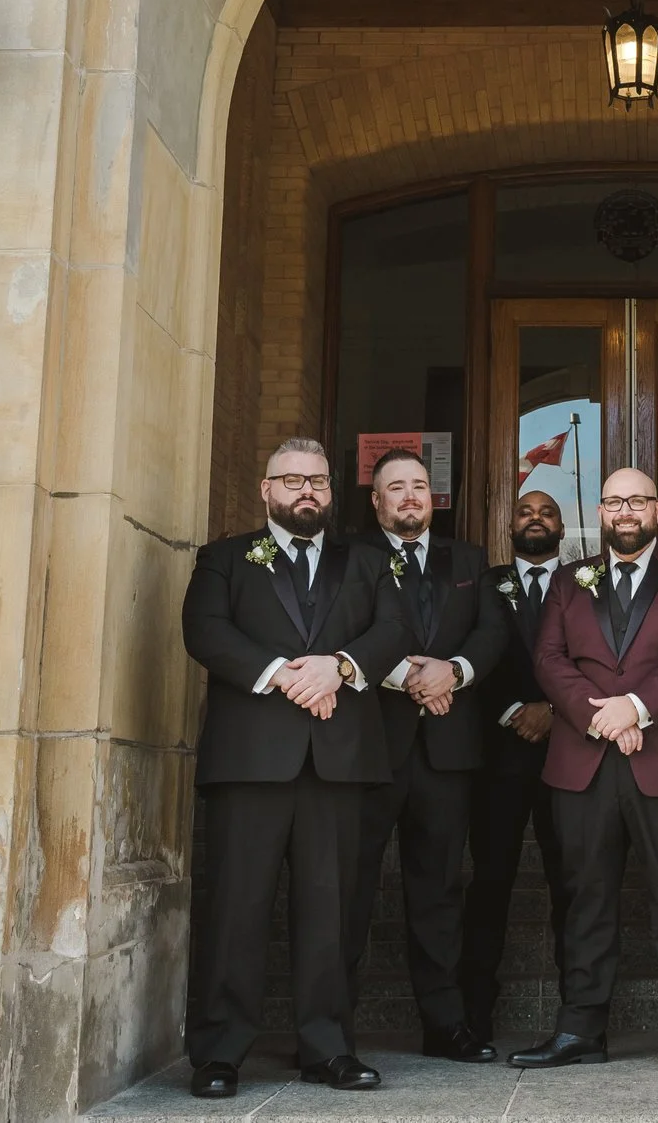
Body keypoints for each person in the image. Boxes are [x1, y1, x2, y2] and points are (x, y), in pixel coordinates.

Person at [180, 438, 408, 1097]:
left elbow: (393, 628)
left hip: (337, 761)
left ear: (332, 492)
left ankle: (328, 1048)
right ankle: (220, 1051)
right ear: (266, 487)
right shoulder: (223, 558)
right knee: (236, 908)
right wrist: (285, 673)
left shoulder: (365, 559)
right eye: (292, 480)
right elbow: (205, 630)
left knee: (329, 911)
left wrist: (336, 666)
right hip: (250, 761)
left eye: (318, 481)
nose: (305, 491)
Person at [509, 467, 658, 1076]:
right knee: (585, 895)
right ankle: (580, 1028)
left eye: (637, 500)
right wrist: (599, 717)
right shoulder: (566, 579)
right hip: (584, 757)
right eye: (614, 501)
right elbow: (549, 658)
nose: (626, 511)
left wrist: (635, 708)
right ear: (601, 511)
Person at [342, 448, 509, 1062]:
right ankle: (333, 1031)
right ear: (376, 501)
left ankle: (446, 1026)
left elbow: (491, 633)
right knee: (348, 888)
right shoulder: (349, 557)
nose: (410, 496)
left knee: (439, 892)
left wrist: (454, 672)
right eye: (396, 488)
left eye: (419, 486)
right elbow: (337, 631)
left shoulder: (467, 560)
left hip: (446, 751)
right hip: (368, 749)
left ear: (433, 497)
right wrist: (402, 678)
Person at [456, 489, 573, 1044]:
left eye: (546, 512)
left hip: (568, 754)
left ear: (562, 527)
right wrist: (512, 710)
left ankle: (579, 1017)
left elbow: (598, 660)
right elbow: (471, 649)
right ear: (509, 524)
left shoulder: (583, 584)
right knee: (489, 885)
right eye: (525, 511)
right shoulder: (484, 584)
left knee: (571, 884)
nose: (535, 519)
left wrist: (553, 711)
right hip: (497, 758)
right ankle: (475, 1015)